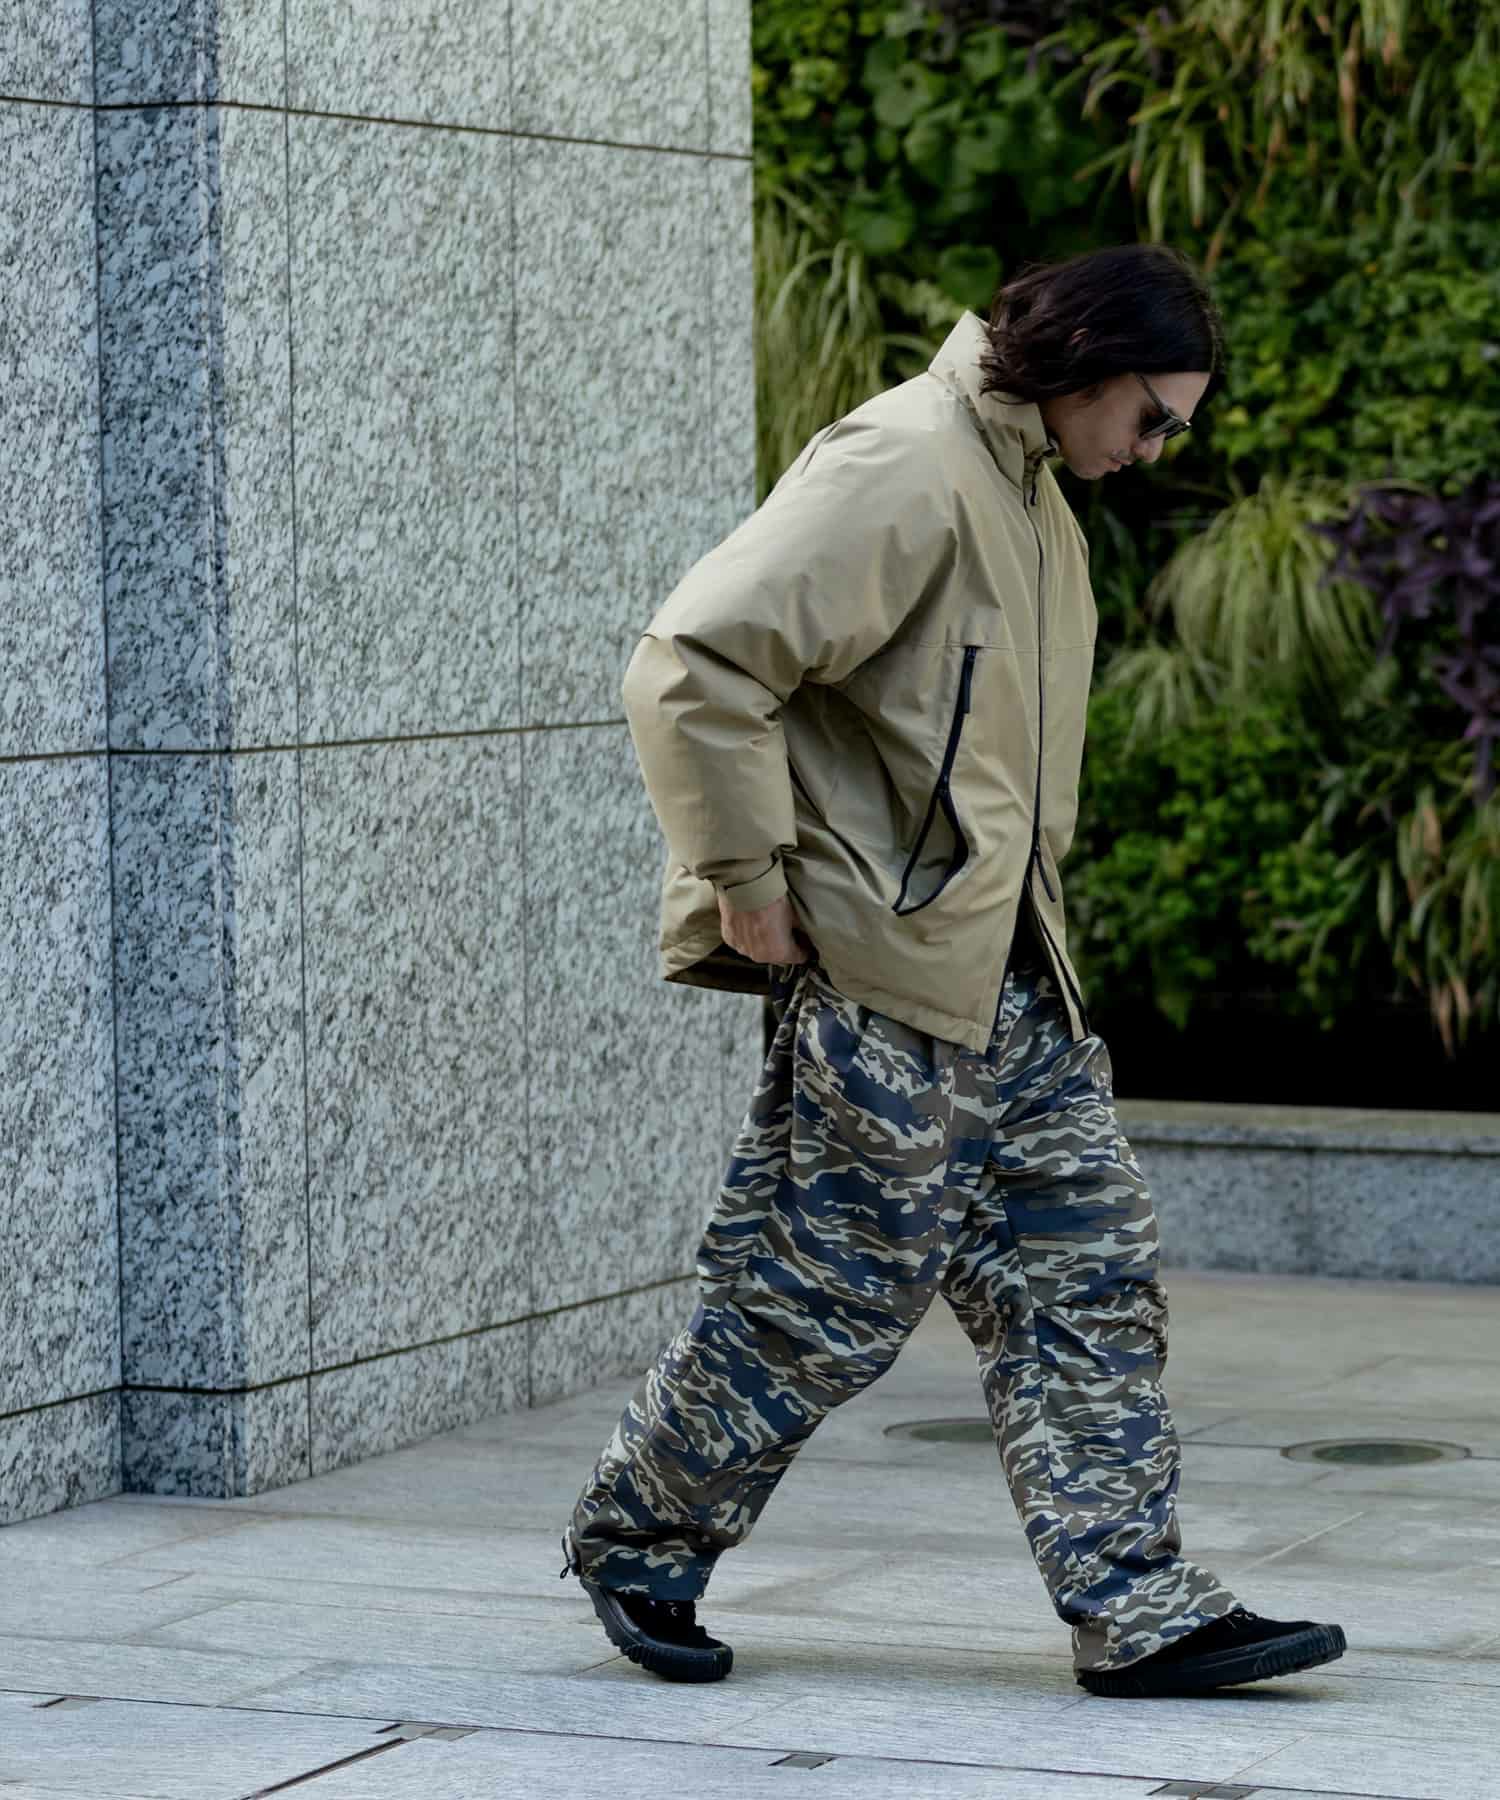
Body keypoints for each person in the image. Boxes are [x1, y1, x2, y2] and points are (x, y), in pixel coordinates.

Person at [556, 243, 1347, 1699]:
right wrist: (746, 883)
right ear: (1089, 366)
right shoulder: (907, 463)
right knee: (830, 1291)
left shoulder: (1033, 492)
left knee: (1088, 1272)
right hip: (879, 972)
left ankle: (1138, 1607)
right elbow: (692, 665)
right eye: (1156, 416)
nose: (1159, 448)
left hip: (1008, 977)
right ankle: (640, 1533)